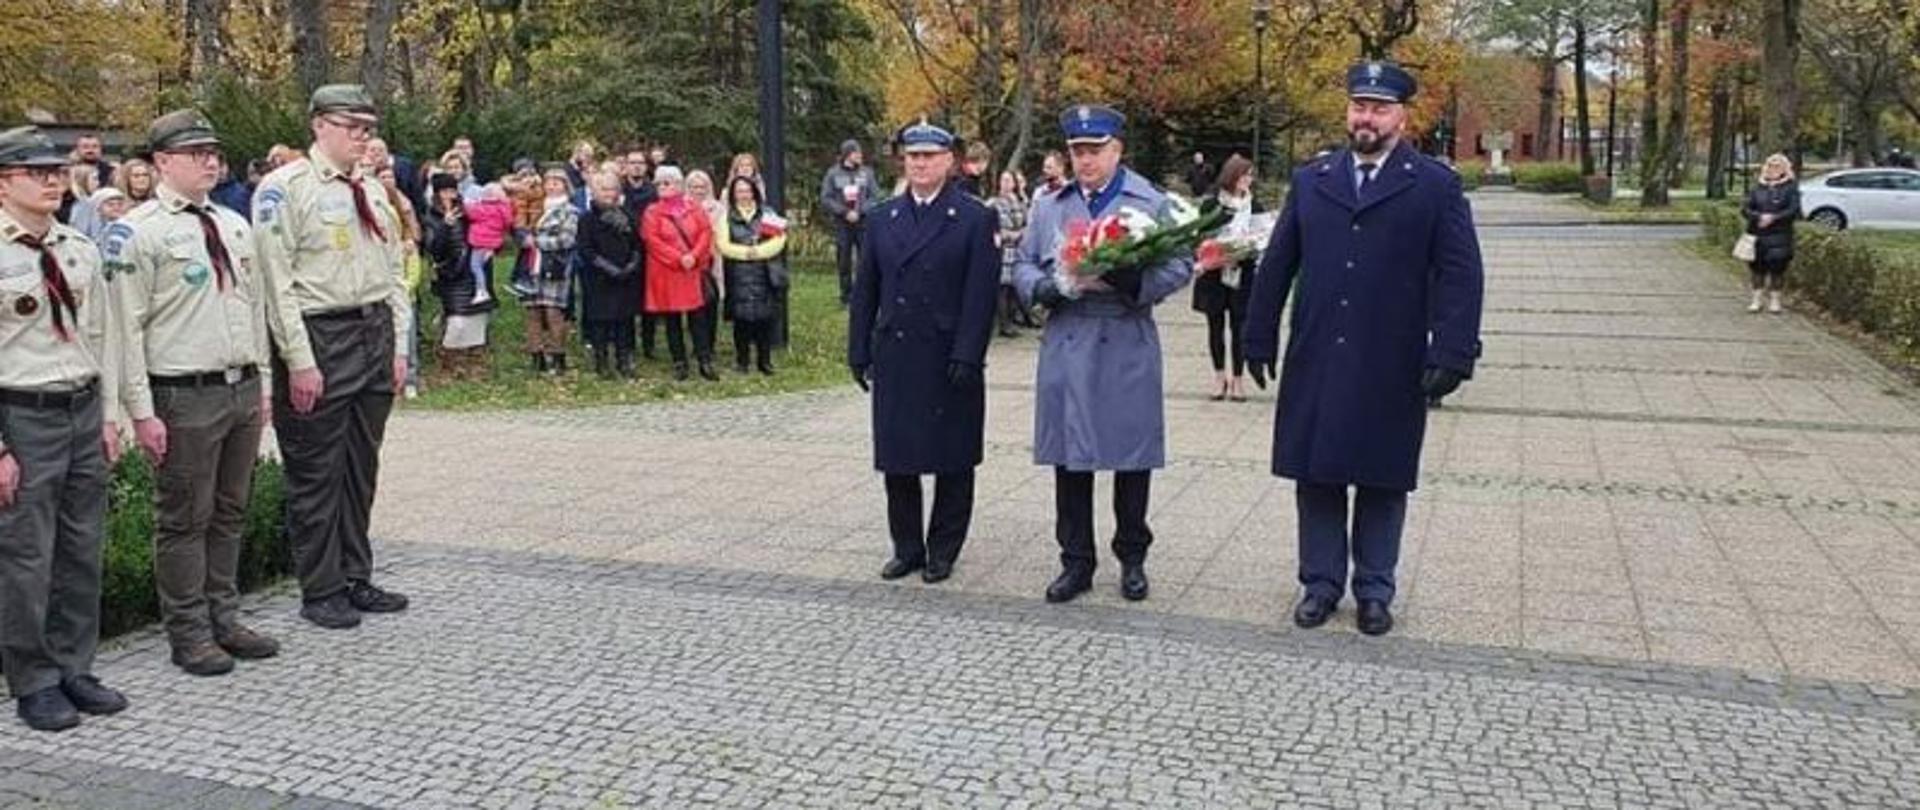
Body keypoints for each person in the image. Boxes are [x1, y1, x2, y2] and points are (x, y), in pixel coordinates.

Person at [1242, 62, 1485, 637]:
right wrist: (1257, 334)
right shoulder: (1314, 179)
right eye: (1358, 106)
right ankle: (1320, 584)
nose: (1366, 118)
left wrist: (1453, 350)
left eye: (1378, 108)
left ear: (1402, 116)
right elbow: (1278, 263)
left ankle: (1375, 588)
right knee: (1317, 473)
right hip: (1319, 351)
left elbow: (1460, 273)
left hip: (1390, 356)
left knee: (1382, 476)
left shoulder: (1433, 185)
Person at [105, 109, 281, 677]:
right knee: (184, 518)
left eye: (214, 151)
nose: (210, 160)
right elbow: (124, 328)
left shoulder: (232, 223)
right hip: (182, 394)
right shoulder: (137, 232)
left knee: (230, 511)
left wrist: (264, 386)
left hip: (238, 387)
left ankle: (224, 617)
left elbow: (254, 312)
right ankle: (188, 632)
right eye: (195, 152)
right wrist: (141, 411)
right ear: (161, 162)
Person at [1011, 104, 1196, 605]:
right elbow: (1023, 263)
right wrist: (1046, 288)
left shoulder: (1147, 200)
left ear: (1118, 150)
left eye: (1095, 151)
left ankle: (1132, 558)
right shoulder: (1051, 204)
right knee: (1070, 460)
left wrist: (1136, 280)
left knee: (1130, 455)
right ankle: (1076, 561)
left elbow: (1182, 262)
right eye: (1077, 152)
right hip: (1069, 335)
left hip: (1124, 335)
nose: (1085, 161)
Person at [250, 84, 413, 630]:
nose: (362, 138)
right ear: (319, 125)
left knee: (360, 467)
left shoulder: (369, 187)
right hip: (319, 336)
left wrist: (398, 346)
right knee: (316, 472)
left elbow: (393, 270)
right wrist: (299, 360)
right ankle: (320, 588)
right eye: (352, 126)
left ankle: (355, 575)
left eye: (368, 128)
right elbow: (278, 284)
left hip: (372, 332)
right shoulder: (284, 189)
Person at [0, 126, 128, 731]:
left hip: (80, 407)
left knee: (81, 548)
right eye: (36, 172)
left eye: (57, 170)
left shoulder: (78, 247)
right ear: (4, 182)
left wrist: (109, 417)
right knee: (27, 556)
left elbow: (99, 338)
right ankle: (34, 679)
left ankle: (76, 666)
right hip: (20, 414)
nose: (53, 180)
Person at [848, 119, 999, 584]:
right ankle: (907, 547)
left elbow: (981, 295)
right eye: (913, 156)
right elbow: (866, 288)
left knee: (953, 457)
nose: (920, 163)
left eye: (930, 156)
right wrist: (858, 349)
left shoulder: (974, 217)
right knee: (899, 457)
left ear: (950, 161)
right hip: (897, 351)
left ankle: (943, 548)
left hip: (949, 353)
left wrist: (969, 353)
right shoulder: (882, 217)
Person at [640, 166, 716, 381]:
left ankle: (704, 360)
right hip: (667, 272)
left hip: (691, 271)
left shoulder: (693, 207)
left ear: (679, 185)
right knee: (672, 320)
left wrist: (694, 255)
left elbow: (705, 232)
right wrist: (678, 258)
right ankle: (679, 362)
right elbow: (652, 240)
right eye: (659, 183)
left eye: (667, 182)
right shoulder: (652, 212)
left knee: (698, 318)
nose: (662, 187)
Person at [1194, 154, 1259, 402]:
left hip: (1242, 272)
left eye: (1251, 175)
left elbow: (1261, 234)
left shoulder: (1256, 204)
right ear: (1232, 175)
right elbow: (1200, 236)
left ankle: (1239, 380)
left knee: (1240, 326)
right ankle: (1219, 376)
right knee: (1215, 325)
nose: (1248, 180)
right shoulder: (1212, 205)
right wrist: (1214, 250)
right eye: (1244, 175)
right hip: (1214, 273)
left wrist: (1248, 247)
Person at [421, 173, 494, 382]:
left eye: (452, 190)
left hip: (474, 271)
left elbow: (485, 229)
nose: (449, 195)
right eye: (444, 191)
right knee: (457, 321)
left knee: (478, 318)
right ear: (436, 194)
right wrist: (445, 225)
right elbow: (433, 248)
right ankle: (448, 365)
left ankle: (475, 364)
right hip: (450, 275)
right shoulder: (430, 216)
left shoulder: (469, 212)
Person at [717, 175, 787, 375]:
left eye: (747, 190)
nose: (743, 195)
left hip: (764, 271)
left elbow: (779, 240)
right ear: (733, 194)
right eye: (739, 191)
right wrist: (746, 253)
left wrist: (759, 252)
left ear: (754, 191)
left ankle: (764, 361)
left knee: (764, 319)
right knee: (742, 321)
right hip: (738, 273)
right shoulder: (726, 216)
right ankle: (742, 361)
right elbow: (723, 244)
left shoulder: (767, 213)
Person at [579, 171, 642, 379]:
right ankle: (602, 362)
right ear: (595, 191)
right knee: (600, 323)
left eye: (612, 188)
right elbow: (586, 250)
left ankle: (624, 361)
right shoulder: (587, 219)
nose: (609, 193)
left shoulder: (628, 215)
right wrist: (609, 269)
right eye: (604, 189)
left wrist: (631, 265)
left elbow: (638, 244)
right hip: (599, 278)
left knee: (625, 322)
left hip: (626, 278)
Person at [522, 169, 577, 375]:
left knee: (554, 312)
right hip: (531, 265)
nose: (552, 186)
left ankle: (558, 356)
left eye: (557, 182)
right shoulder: (535, 208)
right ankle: (536, 358)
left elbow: (567, 239)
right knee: (532, 311)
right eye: (549, 182)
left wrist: (537, 242)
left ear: (565, 185)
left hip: (555, 266)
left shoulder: (569, 211)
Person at [820, 139, 881, 307]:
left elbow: (875, 196)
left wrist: (860, 212)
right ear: (847, 154)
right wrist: (845, 212)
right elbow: (826, 198)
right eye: (856, 153)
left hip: (863, 224)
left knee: (866, 260)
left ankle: (864, 295)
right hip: (842, 224)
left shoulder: (867, 173)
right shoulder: (833, 174)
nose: (860, 156)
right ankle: (846, 297)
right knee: (844, 261)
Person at [1742, 154, 1798, 315]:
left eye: (1778, 166)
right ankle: (1756, 300)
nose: (1773, 169)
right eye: (1770, 165)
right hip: (1757, 234)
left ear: (1784, 168)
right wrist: (1758, 216)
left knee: (1777, 269)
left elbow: (1793, 210)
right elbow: (1745, 208)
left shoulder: (1790, 187)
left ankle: (1775, 301)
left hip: (1780, 235)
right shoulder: (1757, 187)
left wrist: (1774, 218)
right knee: (1757, 269)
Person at [686, 170, 726, 363]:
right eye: (694, 187)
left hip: (713, 260)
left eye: (702, 187)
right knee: (695, 306)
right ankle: (698, 345)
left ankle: (710, 344)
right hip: (691, 262)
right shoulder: (682, 208)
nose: (698, 191)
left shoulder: (718, 208)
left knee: (712, 302)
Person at [988, 169, 1029, 338]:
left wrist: (1021, 233)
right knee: (1002, 287)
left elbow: (1027, 223)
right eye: (1002, 180)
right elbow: (994, 229)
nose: (1005, 184)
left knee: (1014, 287)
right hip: (1002, 249)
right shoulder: (993, 203)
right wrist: (1012, 234)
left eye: (1008, 180)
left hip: (1018, 249)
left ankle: (1012, 320)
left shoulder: (1020, 203)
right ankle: (1004, 324)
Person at [210, 154, 252, 218]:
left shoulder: (243, 191)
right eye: (215, 167)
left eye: (222, 166)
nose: (220, 171)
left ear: (227, 166)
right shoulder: (205, 193)